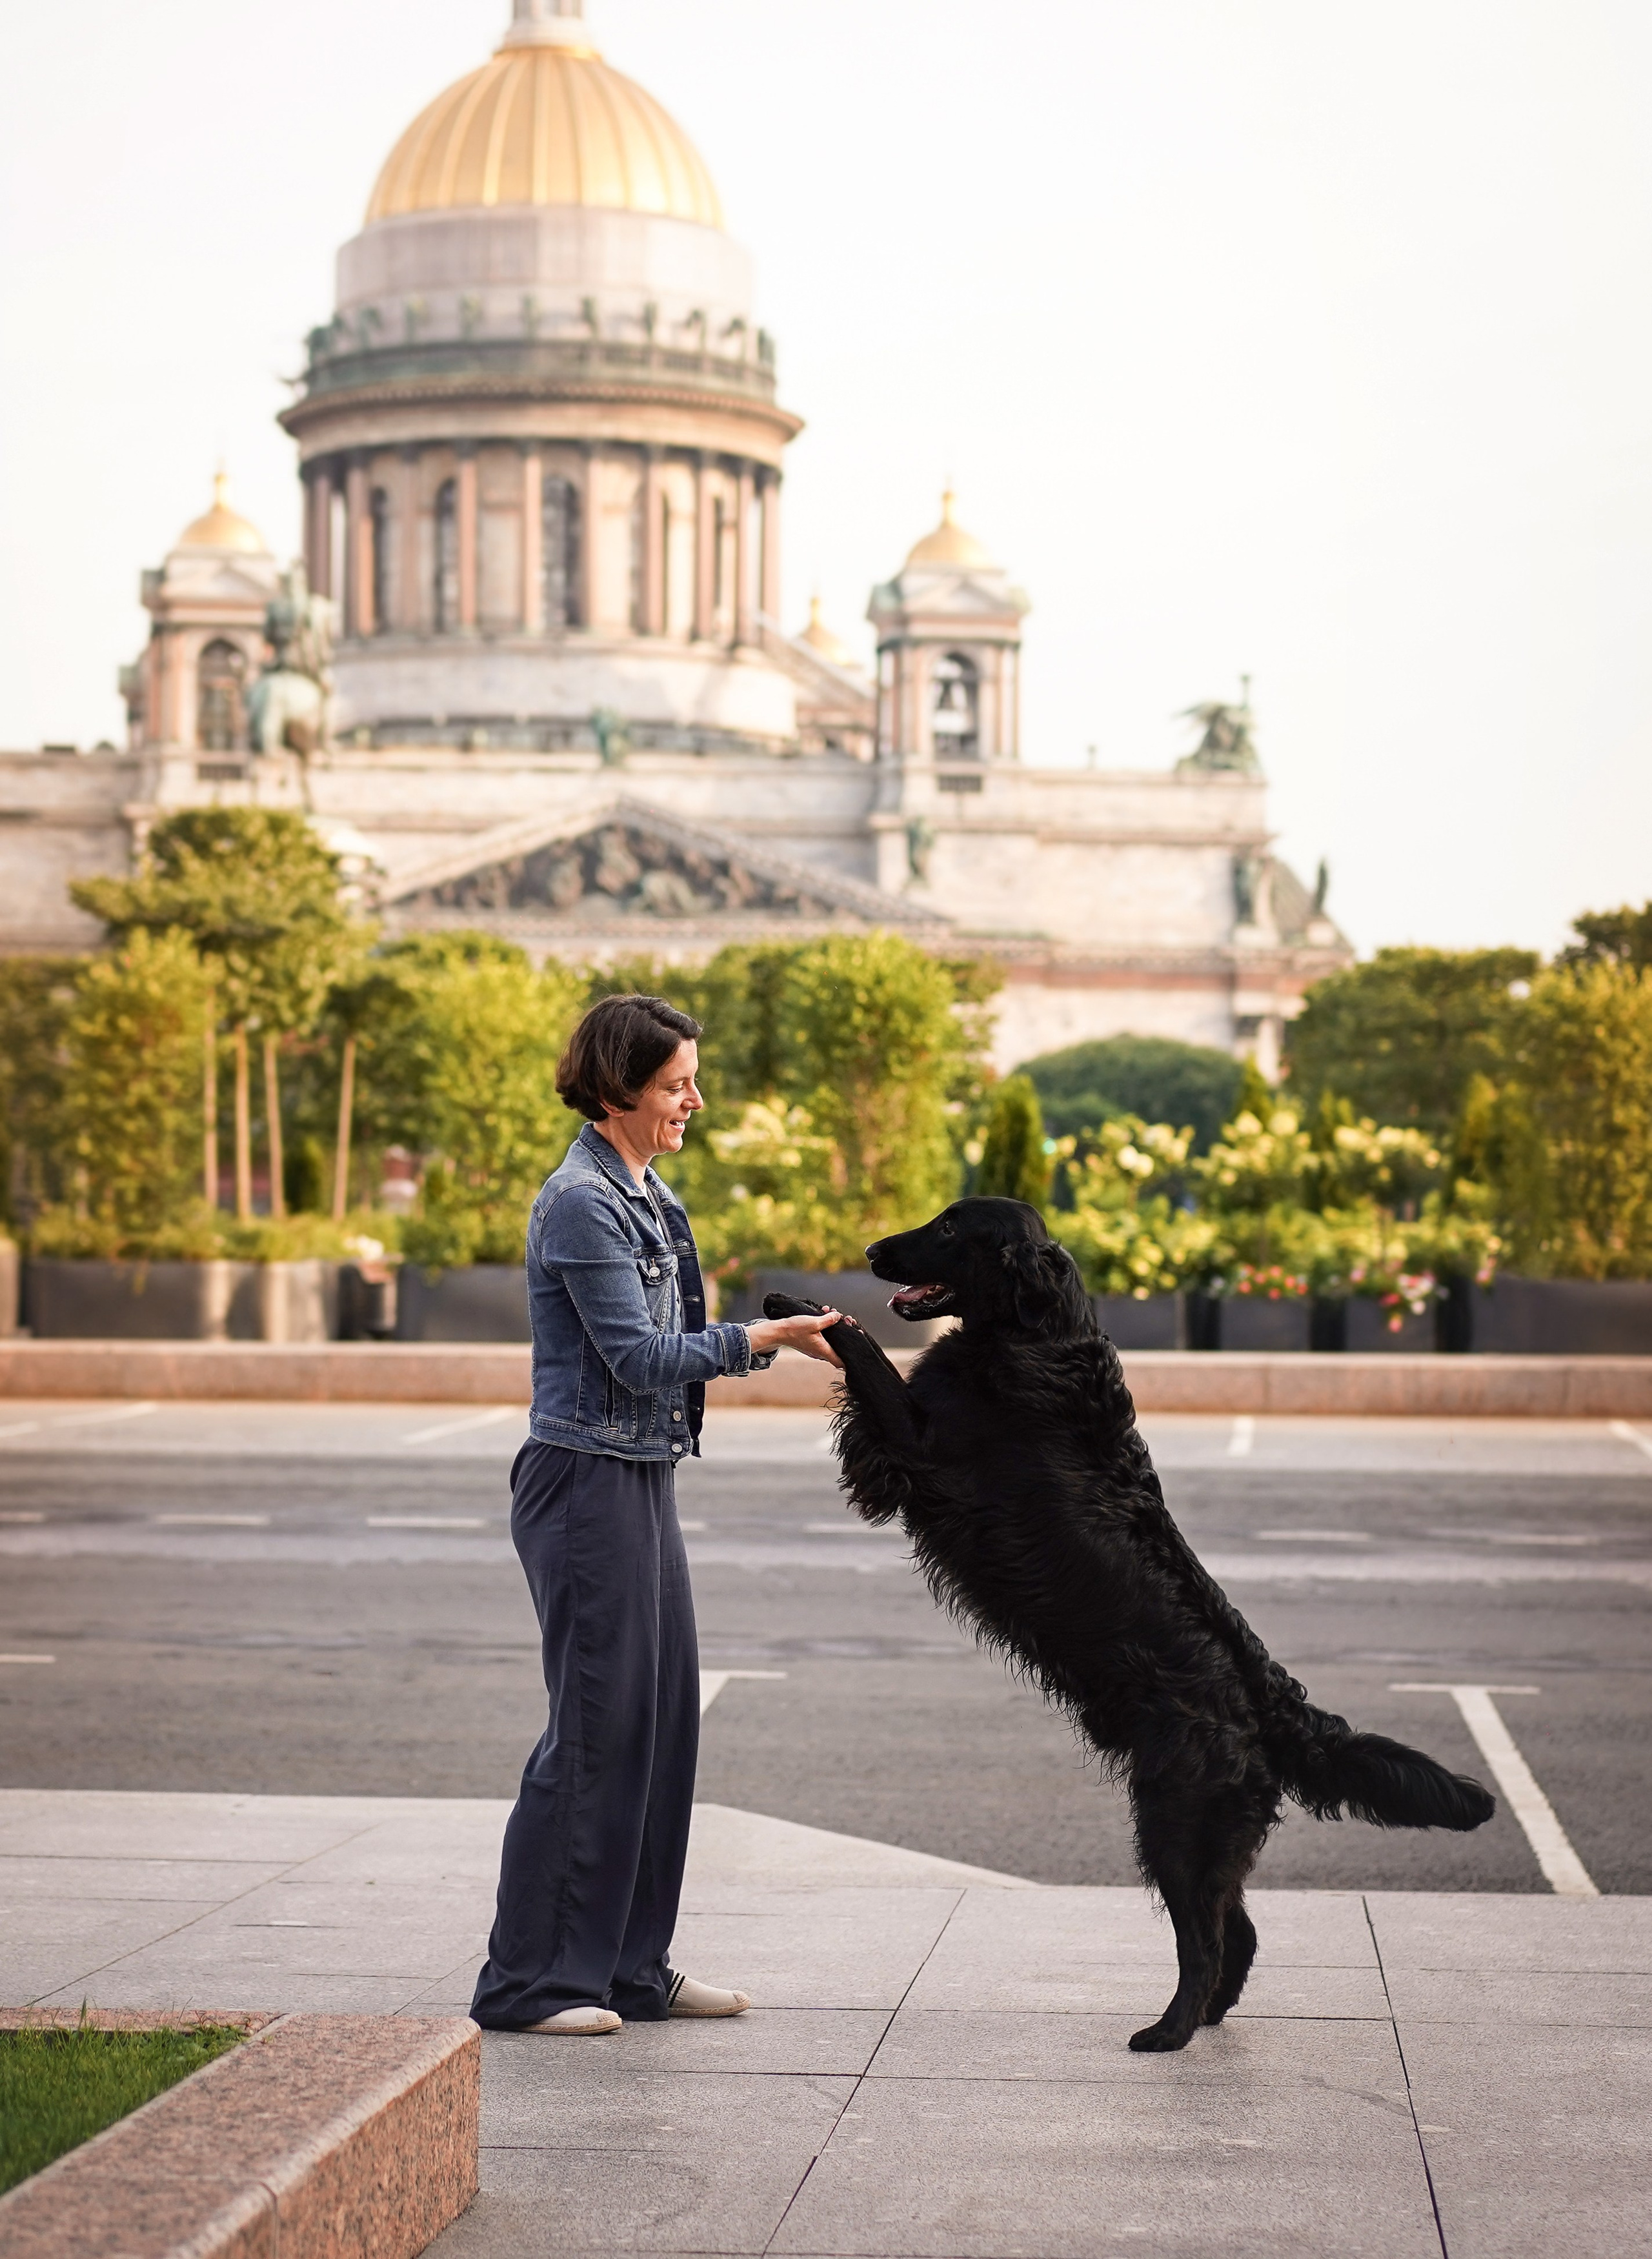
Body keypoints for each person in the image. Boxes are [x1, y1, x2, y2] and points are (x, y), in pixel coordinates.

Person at [470, 994, 841, 2035]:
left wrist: (765, 1335)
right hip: (582, 1483)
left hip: (638, 1473)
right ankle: (531, 1981)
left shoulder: (645, 1189)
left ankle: (630, 1965)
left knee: (662, 1723)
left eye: (691, 1080)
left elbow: (657, 1344)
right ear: (618, 1087)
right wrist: (762, 1339)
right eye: (677, 1083)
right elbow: (636, 1356)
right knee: (595, 1732)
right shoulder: (581, 1201)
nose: (695, 1098)